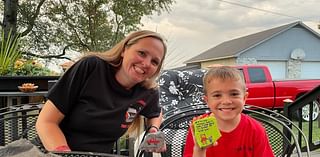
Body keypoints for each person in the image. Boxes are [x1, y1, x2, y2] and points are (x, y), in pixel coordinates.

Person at [36, 30, 167, 154]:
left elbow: (155, 113)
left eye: (154, 62)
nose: (146, 63)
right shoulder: (92, 67)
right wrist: (67, 155)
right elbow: (46, 122)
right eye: (142, 53)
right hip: (50, 152)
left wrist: (153, 130)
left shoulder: (147, 92)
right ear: (124, 50)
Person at [183, 66, 274, 157]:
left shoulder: (256, 130)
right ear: (207, 101)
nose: (226, 101)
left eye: (234, 94)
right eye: (217, 95)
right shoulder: (200, 128)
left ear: (244, 98)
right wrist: (199, 150)